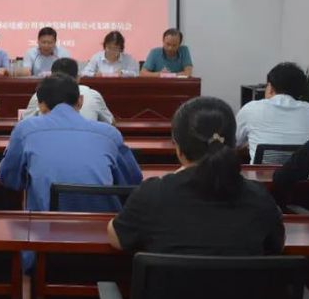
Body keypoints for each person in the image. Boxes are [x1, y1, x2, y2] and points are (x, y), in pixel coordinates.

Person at [107, 97, 284, 256]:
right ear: (232, 145)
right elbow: (277, 245)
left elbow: (117, 239)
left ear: (178, 148)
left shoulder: (152, 194)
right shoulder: (259, 196)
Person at [0, 73, 142, 271]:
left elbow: (8, 179)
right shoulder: (110, 134)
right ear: (80, 101)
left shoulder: (25, 130)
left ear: (41, 105)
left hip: (47, 250)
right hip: (108, 249)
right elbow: (133, 182)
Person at [235, 62, 309, 161]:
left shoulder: (251, 109)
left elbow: (233, 143)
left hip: (263, 171)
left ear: (270, 87)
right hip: (303, 171)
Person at [20, 58, 115, 124]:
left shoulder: (39, 95)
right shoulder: (93, 95)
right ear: (78, 78)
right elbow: (111, 123)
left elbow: (24, 124)